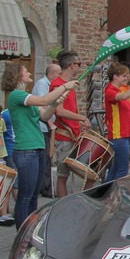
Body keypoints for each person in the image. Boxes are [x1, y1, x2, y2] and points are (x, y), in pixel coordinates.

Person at [2, 61, 78, 227]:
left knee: (34, 194)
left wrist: (56, 103)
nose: (29, 73)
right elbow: (44, 100)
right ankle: (22, 233)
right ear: (17, 76)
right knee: (25, 196)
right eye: (25, 71)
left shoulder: (26, 97)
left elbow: (44, 115)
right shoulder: (17, 95)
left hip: (36, 148)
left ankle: (31, 228)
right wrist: (65, 87)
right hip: (25, 149)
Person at [50, 51, 91, 199]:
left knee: (89, 173)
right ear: (72, 65)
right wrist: (82, 118)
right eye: (78, 64)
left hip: (74, 136)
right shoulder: (58, 85)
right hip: (64, 137)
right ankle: (63, 206)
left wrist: (80, 124)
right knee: (63, 176)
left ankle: (78, 202)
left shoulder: (70, 86)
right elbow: (59, 111)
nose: (80, 68)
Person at [104, 62, 130, 181]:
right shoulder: (111, 90)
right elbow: (122, 97)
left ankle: (107, 193)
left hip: (124, 133)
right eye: (123, 76)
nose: (125, 78)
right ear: (115, 76)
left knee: (116, 168)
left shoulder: (118, 90)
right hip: (118, 134)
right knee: (122, 169)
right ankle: (115, 194)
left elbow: (122, 104)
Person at [32, 62, 61, 197]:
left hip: (46, 126)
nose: (60, 76)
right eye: (58, 73)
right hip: (43, 127)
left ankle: (43, 186)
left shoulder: (49, 85)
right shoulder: (43, 84)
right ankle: (45, 187)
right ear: (51, 74)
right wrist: (50, 124)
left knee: (46, 157)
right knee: (45, 156)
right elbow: (42, 104)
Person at [0, 107, 16, 226]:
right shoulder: (6, 115)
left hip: (7, 151)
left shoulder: (5, 116)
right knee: (10, 183)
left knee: (9, 182)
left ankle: (3, 211)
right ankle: (2, 211)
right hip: (5, 152)